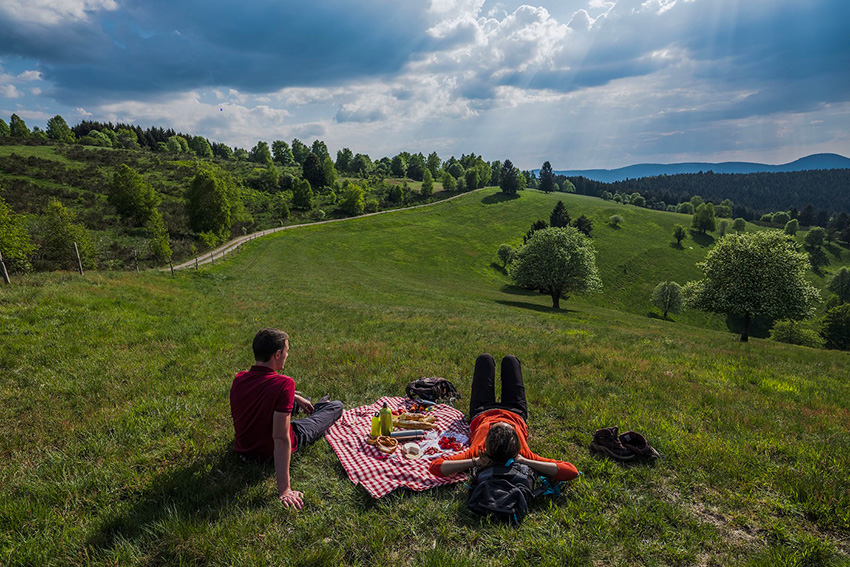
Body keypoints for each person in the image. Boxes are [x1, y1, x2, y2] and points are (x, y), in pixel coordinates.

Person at [230, 328, 343, 510]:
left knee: (289, 401)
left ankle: (307, 404)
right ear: (277, 354)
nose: (287, 355)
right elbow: (281, 438)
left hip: (244, 447)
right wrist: (285, 490)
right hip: (270, 450)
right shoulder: (284, 384)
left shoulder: (240, 378)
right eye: (287, 351)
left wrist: (296, 398)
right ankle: (322, 406)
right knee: (336, 406)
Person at [429, 353, 578, 482]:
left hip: (481, 410)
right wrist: (526, 461)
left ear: (486, 443)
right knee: (510, 360)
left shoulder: (479, 452)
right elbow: (571, 471)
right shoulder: (523, 454)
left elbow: (436, 467)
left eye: (495, 426)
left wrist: (476, 461)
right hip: (515, 411)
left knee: (484, 359)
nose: (499, 420)